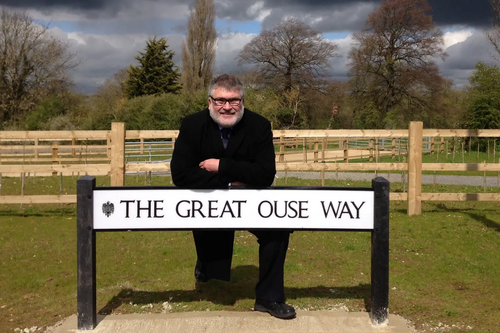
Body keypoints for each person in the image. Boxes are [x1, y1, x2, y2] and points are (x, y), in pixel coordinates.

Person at [170, 74, 295, 319]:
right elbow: (181, 175)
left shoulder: (259, 125)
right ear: (209, 102)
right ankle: (205, 264)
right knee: (211, 246)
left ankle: (270, 298)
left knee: (278, 230)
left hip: (250, 200)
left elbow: (265, 174)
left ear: (242, 101)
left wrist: (221, 167)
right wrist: (234, 179)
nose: (227, 107)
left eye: (233, 100)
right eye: (221, 101)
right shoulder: (192, 125)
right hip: (207, 202)